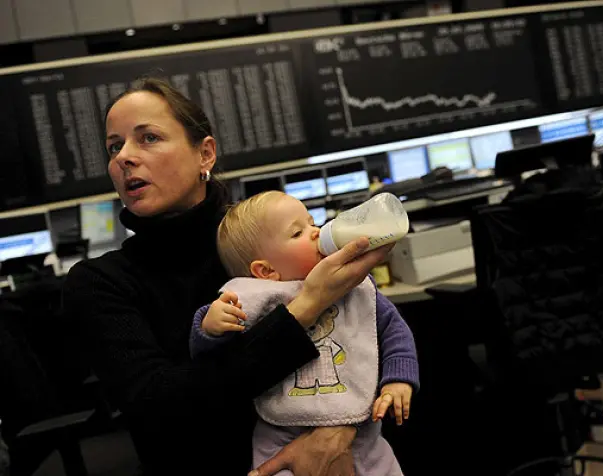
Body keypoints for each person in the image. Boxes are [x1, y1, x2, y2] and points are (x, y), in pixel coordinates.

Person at [62, 77, 393, 476]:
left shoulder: (272, 240)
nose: (124, 158)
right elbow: (163, 407)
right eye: (115, 146)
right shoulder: (99, 283)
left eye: (147, 138)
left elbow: (370, 343)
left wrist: (337, 433)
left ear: (205, 154)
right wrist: (306, 307)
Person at [189, 191, 420, 476]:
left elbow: (394, 331)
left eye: (312, 223)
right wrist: (209, 326)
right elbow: (213, 362)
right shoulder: (256, 297)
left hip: (362, 432)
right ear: (266, 270)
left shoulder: (354, 282)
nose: (316, 233)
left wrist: (398, 380)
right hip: (281, 432)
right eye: (298, 232)